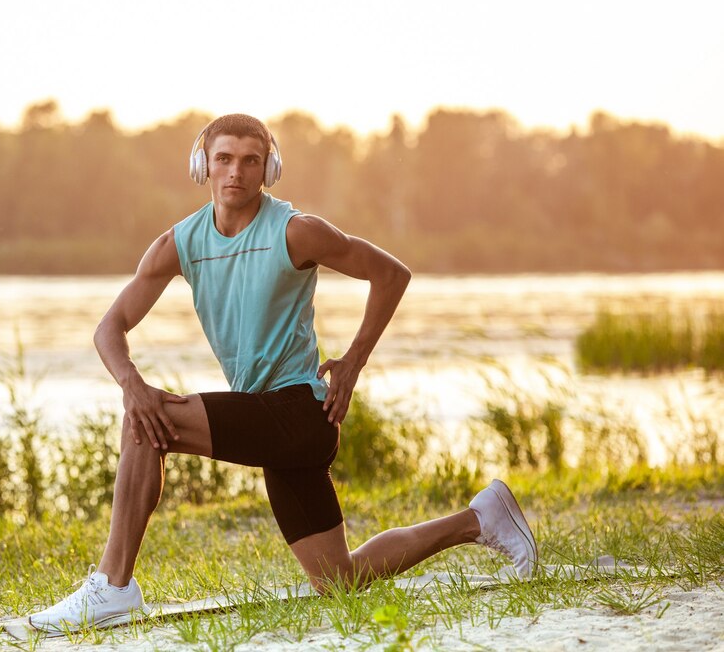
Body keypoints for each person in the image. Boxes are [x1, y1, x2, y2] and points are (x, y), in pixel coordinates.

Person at [28, 114, 537, 632]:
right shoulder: (179, 244)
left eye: (251, 161)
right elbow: (109, 328)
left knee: (147, 424)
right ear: (202, 164)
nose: (236, 173)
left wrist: (353, 362)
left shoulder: (296, 231)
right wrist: (131, 383)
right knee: (340, 579)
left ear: (268, 168)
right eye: (223, 158)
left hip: (299, 412)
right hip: (267, 420)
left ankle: (113, 586)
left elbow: (390, 274)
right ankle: (481, 518)